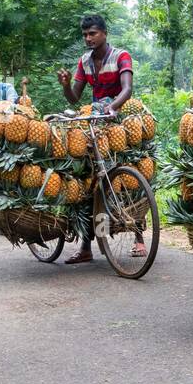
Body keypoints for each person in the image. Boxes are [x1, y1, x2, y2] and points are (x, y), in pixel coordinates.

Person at [55, 14, 139, 265]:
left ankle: (139, 236)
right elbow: (74, 98)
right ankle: (87, 246)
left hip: (120, 116)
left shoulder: (120, 56)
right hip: (94, 122)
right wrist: (66, 85)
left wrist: (112, 107)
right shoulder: (84, 61)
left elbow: (127, 89)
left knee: (131, 174)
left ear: (104, 33)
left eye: (92, 33)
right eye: (85, 34)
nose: (88, 38)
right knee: (89, 181)